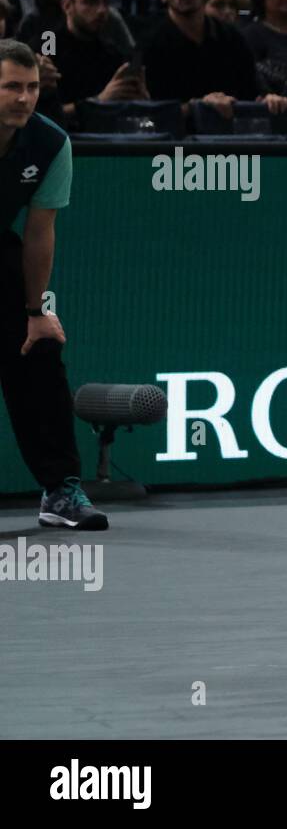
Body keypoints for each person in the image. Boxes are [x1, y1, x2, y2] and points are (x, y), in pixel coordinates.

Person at [0, 40, 107, 531]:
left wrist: (35, 310)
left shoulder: (49, 143)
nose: (23, 98)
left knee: (37, 348)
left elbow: (40, 232)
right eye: (10, 88)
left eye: (31, 87)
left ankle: (60, 490)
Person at [143, 0, 287, 120]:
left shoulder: (232, 37)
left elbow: (254, 90)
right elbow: (151, 115)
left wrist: (269, 100)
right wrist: (197, 106)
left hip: (230, 137)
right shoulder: (150, 44)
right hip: (176, 142)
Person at [47, 0, 150, 120]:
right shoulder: (48, 43)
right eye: (91, 1)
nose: (101, 10)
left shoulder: (112, 53)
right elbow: (40, 117)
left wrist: (141, 101)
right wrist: (99, 102)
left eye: (106, 2)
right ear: (67, 6)